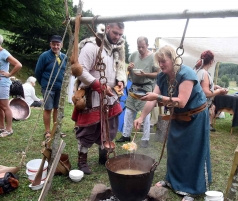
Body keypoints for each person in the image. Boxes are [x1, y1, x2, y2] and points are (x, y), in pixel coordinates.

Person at [133, 45, 211, 201]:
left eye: (164, 61)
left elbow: (181, 102)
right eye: (159, 62)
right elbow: (152, 98)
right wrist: (141, 117)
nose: (161, 65)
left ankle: (192, 190)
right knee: (174, 149)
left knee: (192, 151)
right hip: (178, 116)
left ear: (173, 59)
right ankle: (171, 181)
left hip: (195, 117)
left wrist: (158, 98)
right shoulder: (162, 77)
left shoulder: (186, 74)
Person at [71, 22, 127, 174]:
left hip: (110, 97)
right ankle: (82, 160)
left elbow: (120, 68)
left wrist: (120, 80)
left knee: (110, 128)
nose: (118, 37)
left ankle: (104, 155)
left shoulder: (117, 49)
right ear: (107, 28)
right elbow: (80, 71)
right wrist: (99, 86)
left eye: (121, 34)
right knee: (88, 130)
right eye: (115, 33)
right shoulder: (91, 46)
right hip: (92, 96)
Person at [116, 36, 160, 148]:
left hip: (146, 88)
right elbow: (128, 70)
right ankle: (126, 135)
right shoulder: (134, 55)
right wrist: (129, 68)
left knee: (145, 114)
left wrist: (145, 74)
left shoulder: (153, 57)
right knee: (129, 112)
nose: (140, 49)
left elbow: (157, 74)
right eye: (138, 46)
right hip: (134, 87)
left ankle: (145, 139)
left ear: (147, 45)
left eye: (143, 47)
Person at [35, 35, 67, 139]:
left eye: (58, 44)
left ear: (61, 45)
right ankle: (48, 131)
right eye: (54, 44)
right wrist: (44, 84)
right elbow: (38, 72)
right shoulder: (44, 56)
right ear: (50, 44)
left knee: (57, 109)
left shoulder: (64, 57)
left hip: (60, 88)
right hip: (48, 88)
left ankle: (56, 129)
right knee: (48, 109)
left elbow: (66, 71)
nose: (56, 46)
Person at [194, 50, 228, 132]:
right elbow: (206, 93)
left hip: (194, 105)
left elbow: (200, 87)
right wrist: (220, 91)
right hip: (200, 107)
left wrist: (214, 87)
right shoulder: (204, 73)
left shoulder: (197, 71)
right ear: (211, 61)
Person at [0, 34, 22, 137]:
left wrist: (9, 74)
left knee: (5, 106)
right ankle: (1, 127)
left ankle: (9, 129)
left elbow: (18, 64)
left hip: (3, 84)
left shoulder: (4, 53)